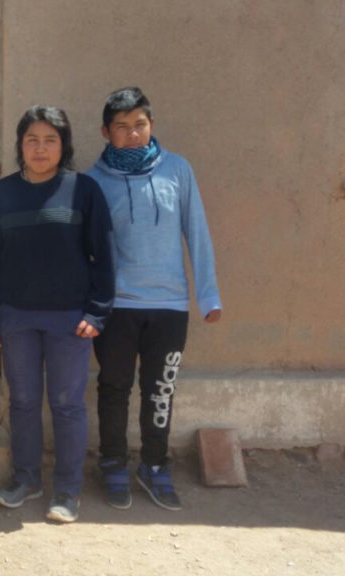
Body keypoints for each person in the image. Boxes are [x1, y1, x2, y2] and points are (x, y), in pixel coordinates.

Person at [85, 87, 222, 511]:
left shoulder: (177, 171)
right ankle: (112, 465)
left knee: (160, 390)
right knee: (113, 388)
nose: (132, 135)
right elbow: (84, 249)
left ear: (151, 126)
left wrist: (208, 294)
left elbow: (196, 230)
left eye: (139, 125)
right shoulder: (92, 182)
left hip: (169, 306)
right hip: (117, 307)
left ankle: (155, 466)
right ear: (106, 132)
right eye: (121, 128)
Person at [0, 106, 114, 523]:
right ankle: (26, 479)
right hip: (16, 317)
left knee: (67, 404)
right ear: (20, 145)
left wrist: (96, 313)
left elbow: (104, 257)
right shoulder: (2, 194)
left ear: (64, 144)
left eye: (50, 140)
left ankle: (67, 490)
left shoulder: (84, 190)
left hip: (69, 320)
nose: (40, 149)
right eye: (31, 140)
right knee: (23, 402)